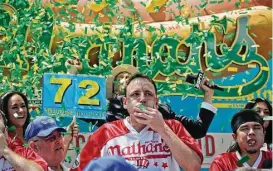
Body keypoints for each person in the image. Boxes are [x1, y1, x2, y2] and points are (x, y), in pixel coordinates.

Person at [75, 73, 203, 171]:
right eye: (135, 94)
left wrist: (162, 128)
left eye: (148, 94)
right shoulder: (106, 132)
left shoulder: (173, 126)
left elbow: (194, 166)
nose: (142, 99)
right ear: (125, 103)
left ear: (156, 102)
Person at [106, 64, 217, 139]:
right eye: (120, 78)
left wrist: (208, 94)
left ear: (156, 101)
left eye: (128, 77)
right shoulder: (108, 113)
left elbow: (198, 130)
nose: (142, 99)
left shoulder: (163, 112)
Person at [0, 91, 79, 156]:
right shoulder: (4, 142)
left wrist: (67, 138)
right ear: (4, 112)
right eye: (14, 107)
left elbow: (51, 160)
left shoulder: (35, 136)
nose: (20, 111)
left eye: (23, 106)